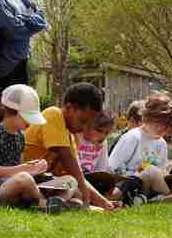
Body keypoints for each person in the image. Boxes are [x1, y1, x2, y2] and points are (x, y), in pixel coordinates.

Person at [0, 85, 73, 212]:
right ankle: (45, 203)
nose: (31, 123)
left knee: (70, 180)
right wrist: (25, 169)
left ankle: (56, 202)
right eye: (27, 117)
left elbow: (18, 166)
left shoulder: (20, 136)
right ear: (13, 112)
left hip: (17, 185)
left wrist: (34, 168)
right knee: (24, 178)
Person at [21, 82, 117, 210]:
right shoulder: (53, 114)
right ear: (69, 107)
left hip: (42, 183)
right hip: (25, 180)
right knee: (74, 183)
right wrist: (86, 193)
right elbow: (68, 159)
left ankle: (57, 204)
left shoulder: (70, 135)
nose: (83, 128)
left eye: (87, 123)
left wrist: (103, 202)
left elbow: (78, 175)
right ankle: (48, 204)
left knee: (74, 187)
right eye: (82, 121)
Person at [110, 94, 172, 205]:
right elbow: (113, 167)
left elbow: (161, 170)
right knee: (149, 168)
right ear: (147, 117)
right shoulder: (133, 137)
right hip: (135, 183)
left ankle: (169, 197)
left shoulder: (161, 143)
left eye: (166, 126)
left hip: (156, 184)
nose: (161, 129)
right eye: (158, 124)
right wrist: (141, 171)